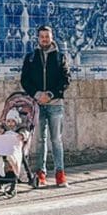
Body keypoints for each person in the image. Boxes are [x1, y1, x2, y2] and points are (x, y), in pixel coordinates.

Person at [20, 24, 71, 187]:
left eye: (47, 37)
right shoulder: (30, 57)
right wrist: (36, 95)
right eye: (42, 37)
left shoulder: (60, 57)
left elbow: (66, 79)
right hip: (37, 105)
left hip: (55, 104)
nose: (44, 39)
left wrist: (50, 94)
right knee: (40, 140)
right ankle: (41, 173)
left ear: (52, 38)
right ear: (38, 38)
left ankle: (60, 173)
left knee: (56, 139)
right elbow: (25, 80)